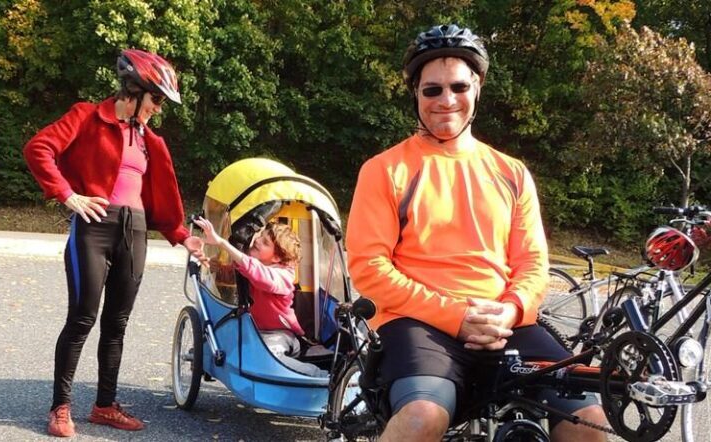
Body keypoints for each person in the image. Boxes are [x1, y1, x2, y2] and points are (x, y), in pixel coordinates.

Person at [345, 24, 608, 441]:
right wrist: (457, 316)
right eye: (432, 90)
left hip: (505, 323)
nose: (446, 100)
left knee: (589, 423)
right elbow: (369, 268)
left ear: (478, 87)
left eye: (458, 86)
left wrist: (511, 309)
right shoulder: (384, 170)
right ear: (416, 93)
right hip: (418, 323)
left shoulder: (511, 172)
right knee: (421, 419)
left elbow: (533, 263)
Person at [23, 48, 206, 437]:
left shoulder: (149, 140)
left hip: (134, 231)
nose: (159, 108)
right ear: (135, 90)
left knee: (117, 324)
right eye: (156, 99)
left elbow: (161, 198)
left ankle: (104, 406)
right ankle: (60, 407)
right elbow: (38, 148)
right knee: (82, 318)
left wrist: (181, 237)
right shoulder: (87, 115)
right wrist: (68, 195)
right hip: (94, 227)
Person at [194, 217, 327, 377]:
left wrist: (223, 243)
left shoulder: (283, 276)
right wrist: (218, 267)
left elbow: (257, 274)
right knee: (231, 349)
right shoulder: (258, 266)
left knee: (268, 358)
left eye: (265, 242)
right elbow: (239, 274)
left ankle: (316, 374)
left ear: (277, 257)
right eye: (260, 236)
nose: (257, 241)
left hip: (281, 335)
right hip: (256, 332)